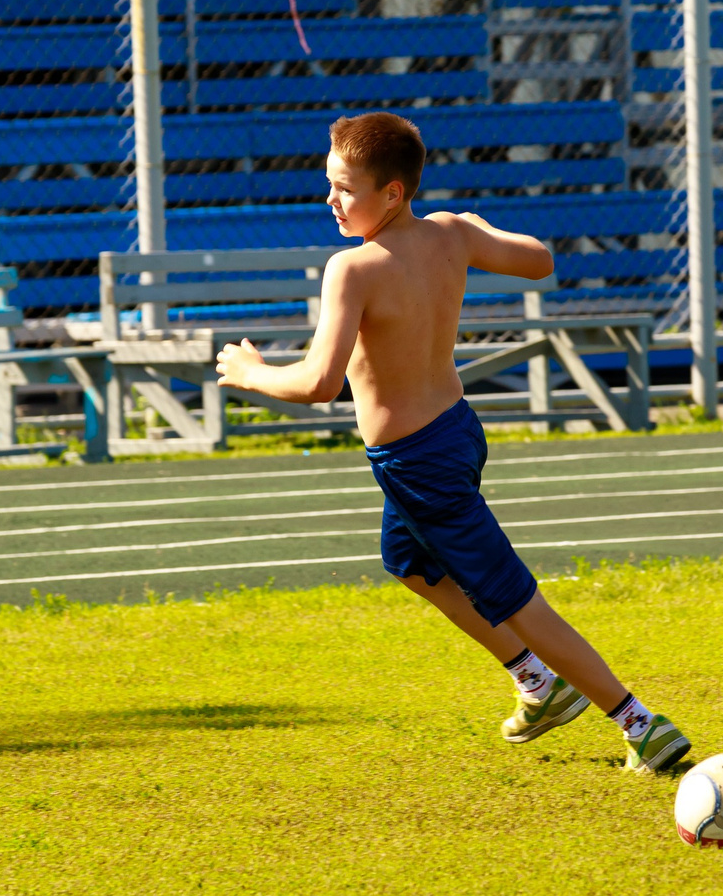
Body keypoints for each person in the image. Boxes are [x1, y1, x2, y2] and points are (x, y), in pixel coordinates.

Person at [214, 112, 692, 772]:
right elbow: (539, 260)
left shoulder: (351, 269)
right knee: (409, 562)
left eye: (345, 188)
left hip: (418, 462)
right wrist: (472, 227)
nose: (331, 200)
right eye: (329, 184)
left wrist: (251, 373)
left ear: (392, 193)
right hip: (456, 433)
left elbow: (320, 382)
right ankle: (537, 682)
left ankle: (639, 722)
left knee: (514, 596)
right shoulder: (450, 233)